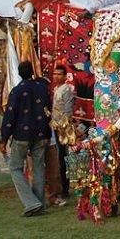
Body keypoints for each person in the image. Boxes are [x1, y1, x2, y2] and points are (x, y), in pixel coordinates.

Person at [0, 61, 52, 216]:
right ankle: (39, 205)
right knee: (38, 168)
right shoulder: (43, 90)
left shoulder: (16, 91)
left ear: (19, 73)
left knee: (15, 168)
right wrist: (48, 134)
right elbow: (47, 113)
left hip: (22, 135)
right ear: (32, 72)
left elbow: (10, 116)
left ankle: (31, 203)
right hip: (41, 133)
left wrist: (4, 138)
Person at [45, 64, 72, 207]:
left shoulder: (67, 90)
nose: (56, 76)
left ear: (64, 76)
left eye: (59, 74)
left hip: (61, 128)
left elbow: (67, 110)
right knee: (57, 157)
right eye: (54, 74)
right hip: (53, 126)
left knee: (62, 157)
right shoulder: (54, 89)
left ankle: (65, 188)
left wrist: (64, 127)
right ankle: (60, 187)